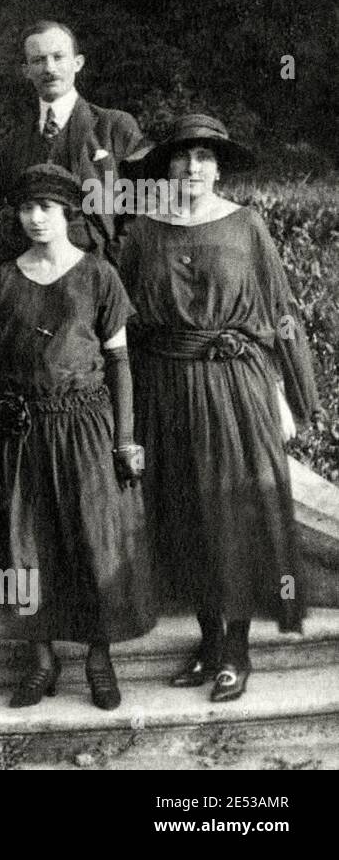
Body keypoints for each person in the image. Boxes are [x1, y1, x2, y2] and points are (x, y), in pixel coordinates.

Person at [119, 114, 319, 702]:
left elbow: (279, 309)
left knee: (232, 515)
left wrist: (295, 396)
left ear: (219, 167)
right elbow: (125, 328)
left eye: (206, 158)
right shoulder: (142, 233)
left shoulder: (245, 225)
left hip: (234, 387)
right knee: (184, 515)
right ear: (167, 167)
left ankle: (237, 649)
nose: (194, 168)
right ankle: (208, 643)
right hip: (165, 388)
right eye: (183, 157)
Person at [0, 163, 154, 711]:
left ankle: (99, 659)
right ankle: (41, 661)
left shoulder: (98, 275)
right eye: (27, 209)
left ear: (68, 214)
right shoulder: (4, 280)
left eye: (47, 209)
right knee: (26, 543)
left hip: (85, 426)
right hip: (23, 430)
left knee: (92, 540)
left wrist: (124, 440)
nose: (35, 219)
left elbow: (120, 362)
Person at [0, 20, 145, 267]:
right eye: (38, 60)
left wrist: (112, 266)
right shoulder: (14, 141)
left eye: (58, 57)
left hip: (99, 271)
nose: (49, 68)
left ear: (78, 63)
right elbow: (2, 215)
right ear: (26, 70)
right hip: (34, 275)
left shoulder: (114, 126)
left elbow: (140, 204)